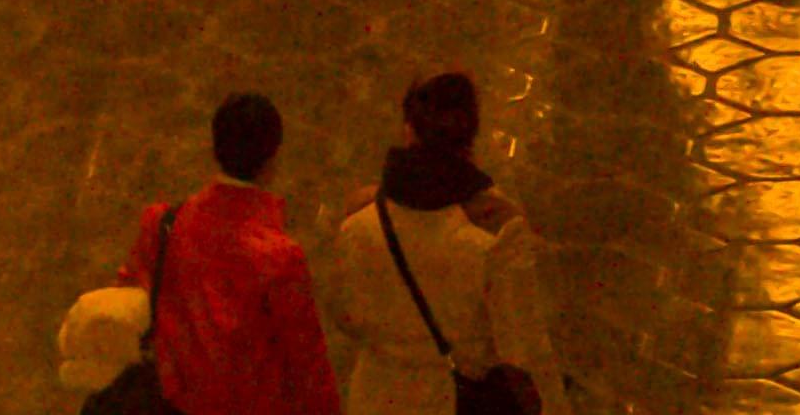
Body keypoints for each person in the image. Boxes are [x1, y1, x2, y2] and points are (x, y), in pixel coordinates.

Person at [323, 70, 558, 415]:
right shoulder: (497, 230)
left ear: (409, 131)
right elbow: (523, 348)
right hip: (450, 399)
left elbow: (344, 314)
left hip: (375, 396)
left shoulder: (360, 220)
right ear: (471, 136)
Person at [125, 93, 345, 415]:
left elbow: (130, 292)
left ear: (214, 149)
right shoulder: (280, 257)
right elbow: (307, 362)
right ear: (272, 158)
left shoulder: (163, 225)